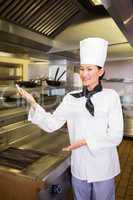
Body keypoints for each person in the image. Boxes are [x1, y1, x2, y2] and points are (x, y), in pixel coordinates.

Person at [18, 37, 123, 200]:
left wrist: (86, 141)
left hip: (104, 167)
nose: (84, 74)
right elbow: (52, 124)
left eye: (89, 69)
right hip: (79, 166)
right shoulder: (71, 98)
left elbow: (116, 135)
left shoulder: (111, 96)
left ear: (100, 71)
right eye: (81, 69)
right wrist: (33, 104)